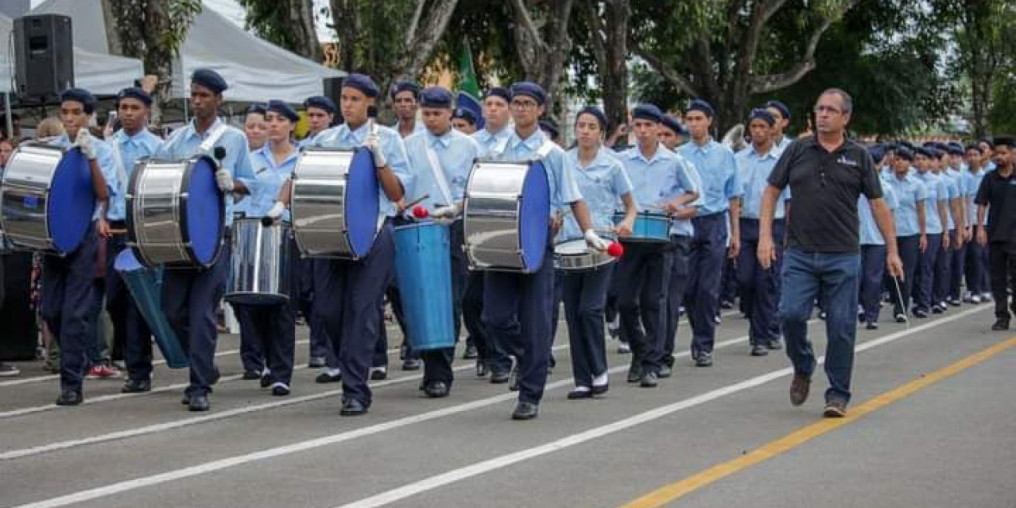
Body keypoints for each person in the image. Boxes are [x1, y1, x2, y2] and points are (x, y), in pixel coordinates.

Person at [269, 73, 408, 416]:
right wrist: (280, 204)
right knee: (328, 311)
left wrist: (379, 159)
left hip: (374, 234)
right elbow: (297, 175)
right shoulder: (325, 138)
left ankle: (355, 390)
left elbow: (397, 193)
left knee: (362, 310)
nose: (348, 105)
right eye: (344, 98)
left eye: (355, 99)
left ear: (370, 103)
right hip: (330, 235)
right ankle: (351, 366)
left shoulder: (388, 138)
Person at [759, 88, 902, 418]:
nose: (822, 114)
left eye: (830, 110)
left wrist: (892, 249)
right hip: (799, 252)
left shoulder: (859, 156)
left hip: (842, 255)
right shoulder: (797, 149)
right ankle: (804, 363)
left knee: (840, 326)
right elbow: (771, 192)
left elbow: (878, 205)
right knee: (791, 315)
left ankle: (837, 393)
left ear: (845, 117)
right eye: (819, 109)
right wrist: (765, 236)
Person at [486, 81, 604, 419]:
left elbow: (572, 196)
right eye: (516, 103)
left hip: (539, 245)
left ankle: (530, 395)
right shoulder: (496, 150)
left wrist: (589, 232)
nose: (521, 108)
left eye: (527, 103)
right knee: (494, 318)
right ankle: (528, 357)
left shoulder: (553, 154)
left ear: (540, 110)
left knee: (536, 320)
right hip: (501, 244)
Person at [156, 69, 256, 412]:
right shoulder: (177, 140)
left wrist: (234, 184)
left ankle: (198, 385)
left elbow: (252, 184)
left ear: (218, 100)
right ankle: (205, 364)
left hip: (215, 236)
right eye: (194, 95)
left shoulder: (235, 138)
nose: (197, 101)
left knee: (201, 313)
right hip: (179, 236)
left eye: (204, 96)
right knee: (171, 310)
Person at [401, 86, 482, 398]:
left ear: (450, 112)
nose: (431, 119)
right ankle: (428, 360)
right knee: (417, 299)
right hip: (418, 226)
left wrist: (458, 208)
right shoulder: (409, 145)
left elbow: (475, 189)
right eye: (427, 113)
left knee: (447, 301)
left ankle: (440, 372)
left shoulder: (468, 146)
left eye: (437, 113)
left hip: (453, 226)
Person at [613, 104, 700, 385]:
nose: (643, 131)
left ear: (657, 128)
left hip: (661, 238)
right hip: (631, 238)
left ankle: (651, 364)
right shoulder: (623, 161)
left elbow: (693, 191)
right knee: (625, 302)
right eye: (638, 126)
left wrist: (676, 203)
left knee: (654, 301)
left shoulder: (672, 161)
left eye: (648, 126)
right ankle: (640, 351)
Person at [45, 88, 121, 405]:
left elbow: (104, 193)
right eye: (66, 112)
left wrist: (90, 157)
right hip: (53, 238)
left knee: (75, 312)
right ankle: (74, 357)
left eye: (77, 113)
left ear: (89, 116)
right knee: (51, 309)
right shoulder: (52, 149)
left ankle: (71, 382)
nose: (70, 118)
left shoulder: (102, 150)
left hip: (84, 234)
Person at [563, 106, 636, 398]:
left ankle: (599, 369)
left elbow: (631, 205)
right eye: (581, 125)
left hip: (602, 244)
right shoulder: (563, 162)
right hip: (567, 244)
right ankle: (582, 378)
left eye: (592, 126)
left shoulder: (613, 165)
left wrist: (627, 222)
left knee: (590, 308)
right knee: (572, 312)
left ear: (601, 132)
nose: (585, 131)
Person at [233, 100, 300, 396]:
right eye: (269, 119)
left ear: (290, 125)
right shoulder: (252, 158)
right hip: (254, 233)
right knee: (252, 305)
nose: (273, 125)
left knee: (283, 305)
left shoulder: (302, 158)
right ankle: (267, 360)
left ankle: (282, 372)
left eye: (279, 120)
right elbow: (242, 189)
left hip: (286, 233)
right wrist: (229, 183)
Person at [106, 87, 163, 393]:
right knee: (114, 299)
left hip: (143, 230)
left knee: (136, 302)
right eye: (123, 107)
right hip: (113, 229)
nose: (128, 113)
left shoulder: (158, 147)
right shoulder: (108, 146)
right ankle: (128, 354)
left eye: (134, 108)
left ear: (146, 112)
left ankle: (138, 370)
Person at [678, 99, 742, 367]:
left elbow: (733, 197)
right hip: (686, 223)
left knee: (708, 287)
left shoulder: (725, 154)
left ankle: (704, 343)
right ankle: (697, 333)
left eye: (698, 119)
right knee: (688, 287)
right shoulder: (679, 154)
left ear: (709, 121)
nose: (693, 124)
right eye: (689, 119)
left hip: (714, 223)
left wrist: (735, 234)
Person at [467, 87, 515, 383]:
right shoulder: (470, 144)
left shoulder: (516, 142)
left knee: (504, 301)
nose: (493, 109)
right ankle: (487, 350)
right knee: (471, 299)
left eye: (499, 104)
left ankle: (503, 358)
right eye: (489, 104)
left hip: (510, 227)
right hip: (477, 227)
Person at [736, 108, 789, 356]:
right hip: (746, 224)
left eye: (762, 127)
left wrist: (789, 232)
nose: (757, 131)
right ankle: (762, 324)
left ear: (771, 130)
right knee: (745, 279)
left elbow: (789, 199)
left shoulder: (782, 160)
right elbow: (734, 197)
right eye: (753, 126)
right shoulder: (739, 159)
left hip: (774, 225)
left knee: (766, 280)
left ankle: (761, 335)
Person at [297, 95, 337, 369]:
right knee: (306, 292)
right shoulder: (301, 148)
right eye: (310, 115)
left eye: (319, 116)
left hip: (329, 225)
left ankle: (321, 348)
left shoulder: (337, 145)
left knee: (325, 294)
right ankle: (320, 344)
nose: (313, 120)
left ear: (330, 118)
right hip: (304, 226)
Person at [974, 136, 1016, 330]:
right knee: (997, 278)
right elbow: (982, 203)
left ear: (1012, 153)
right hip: (995, 234)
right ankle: (1002, 316)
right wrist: (980, 228)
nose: (999, 157)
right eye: (996, 154)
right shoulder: (989, 177)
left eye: (1003, 153)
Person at [858, 145, 899, 330]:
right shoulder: (854, 183)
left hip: (877, 240)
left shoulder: (887, 188)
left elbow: (890, 217)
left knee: (873, 279)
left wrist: (892, 245)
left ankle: (871, 314)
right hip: (855, 238)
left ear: (882, 163)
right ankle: (856, 309)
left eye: (876, 162)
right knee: (854, 277)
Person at [886, 147, 927, 322]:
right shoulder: (886, 181)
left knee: (907, 271)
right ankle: (895, 297)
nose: (899, 162)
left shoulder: (917, 184)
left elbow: (921, 211)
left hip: (910, 232)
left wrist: (923, 234)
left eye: (903, 160)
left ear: (910, 163)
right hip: (890, 233)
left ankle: (901, 308)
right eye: (896, 159)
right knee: (889, 271)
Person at [911, 147, 949, 318]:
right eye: (917, 159)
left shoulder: (937, 182)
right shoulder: (910, 180)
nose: (920, 162)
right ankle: (918, 299)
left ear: (930, 161)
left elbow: (942, 208)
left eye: (924, 159)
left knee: (927, 267)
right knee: (915, 268)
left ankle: (924, 304)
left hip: (933, 229)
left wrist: (946, 232)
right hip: (913, 230)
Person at [964, 143, 990, 303]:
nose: (972, 158)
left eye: (976, 155)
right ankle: (974, 288)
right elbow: (962, 201)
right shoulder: (963, 176)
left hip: (984, 221)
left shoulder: (987, 176)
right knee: (972, 256)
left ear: (982, 157)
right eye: (970, 155)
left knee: (983, 255)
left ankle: (985, 287)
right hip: (969, 221)